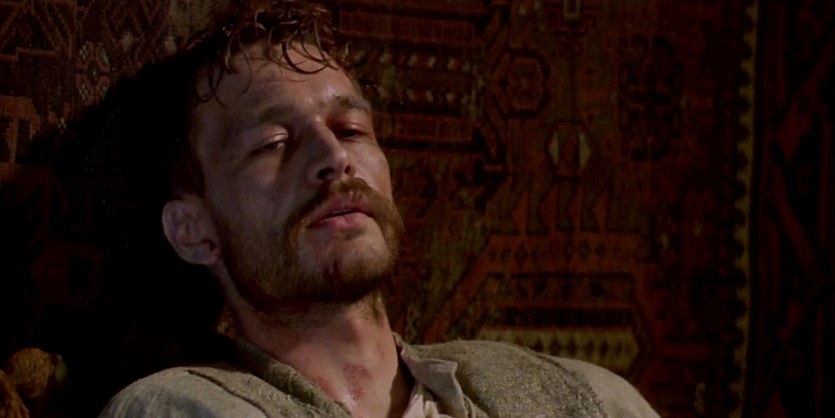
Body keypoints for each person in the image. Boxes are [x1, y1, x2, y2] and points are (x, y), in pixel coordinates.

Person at [97, 1, 660, 417]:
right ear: (194, 231)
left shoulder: (580, 397)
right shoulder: (180, 408)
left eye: (351, 129)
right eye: (273, 143)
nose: (334, 157)